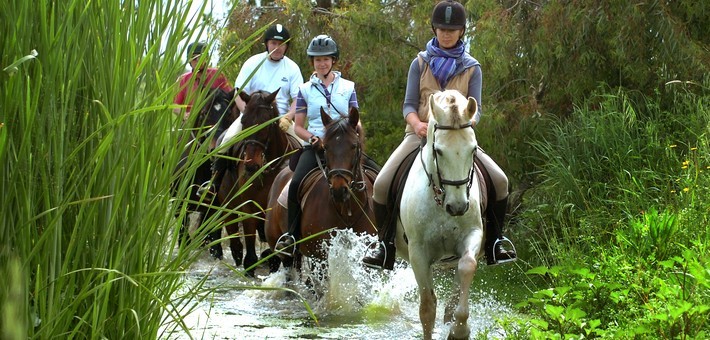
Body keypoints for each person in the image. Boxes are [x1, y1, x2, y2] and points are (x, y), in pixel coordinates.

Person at [362, 0, 517, 270]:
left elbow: (475, 109)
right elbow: (409, 105)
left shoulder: (472, 67)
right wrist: (418, 124)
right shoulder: (419, 63)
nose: (446, 33)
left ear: (461, 32)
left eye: (452, 29)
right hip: (419, 135)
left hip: (457, 138)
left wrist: (463, 123)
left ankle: (495, 241)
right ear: (434, 30)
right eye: (442, 29)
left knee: (500, 181)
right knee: (382, 183)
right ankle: (384, 244)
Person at [274, 34, 378, 255]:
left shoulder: (348, 87)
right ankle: (291, 235)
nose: (322, 63)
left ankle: (386, 236)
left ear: (333, 61)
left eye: (326, 59)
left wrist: (356, 129)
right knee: (295, 184)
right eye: (317, 60)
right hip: (317, 146)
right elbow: (299, 125)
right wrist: (312, 138)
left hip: (345, 146)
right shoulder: (304, 90)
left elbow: (355, 116)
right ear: (312, 63)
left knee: (379, 178)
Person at [201, 24, 303, 195]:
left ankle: (301, 190)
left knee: (304, 146)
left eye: (282, 44)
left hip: (279, 119)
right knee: (224, 142)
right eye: (273, 43)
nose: (277, 48)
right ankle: (213, 185)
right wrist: (244, 114)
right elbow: (238, 93)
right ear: (267, 44)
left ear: (286, 46)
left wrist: (289, 116)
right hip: (251, 118)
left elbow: (299, 98)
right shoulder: (253, 63)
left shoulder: (292, 68)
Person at [173, 42, 233, 120]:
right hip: (192, 124)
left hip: (217, 122)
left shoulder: (217, 75)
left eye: (201, 57)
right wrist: (184, 115)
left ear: (206, 58)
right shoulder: (183, 80)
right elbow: (175, 105)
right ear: (189, 60)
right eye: (194, 58)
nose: (198, 61)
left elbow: (230, 96)